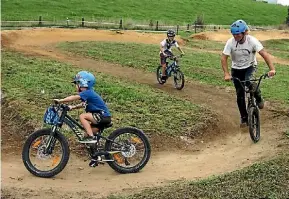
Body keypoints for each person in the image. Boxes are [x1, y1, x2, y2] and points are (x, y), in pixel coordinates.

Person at [221, 19, 276, 126]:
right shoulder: (230, 42)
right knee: (239, 95)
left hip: (250, 67)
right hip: (236, 69)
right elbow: (224, 58)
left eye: (238, 34)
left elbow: (264, 54)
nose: (235, 36)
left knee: (249, 82)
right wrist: (226, 74)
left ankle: (258, 96)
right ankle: (244, 118)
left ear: (244, 32)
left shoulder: (252, 41)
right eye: (233, 34)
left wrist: (272, 69)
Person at [54, 71, 112, 143]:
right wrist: (72, 107)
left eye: (77, 83)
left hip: (102, 116)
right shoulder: (89, 93)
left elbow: (74, 97)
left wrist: (61, 100)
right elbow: (83, 104)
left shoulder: (88, 92)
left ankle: (92, 137)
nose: (76, 86)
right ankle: (94, 148)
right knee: (86, 135)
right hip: (99, 117)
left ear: (83, 83)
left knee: (82, 116)